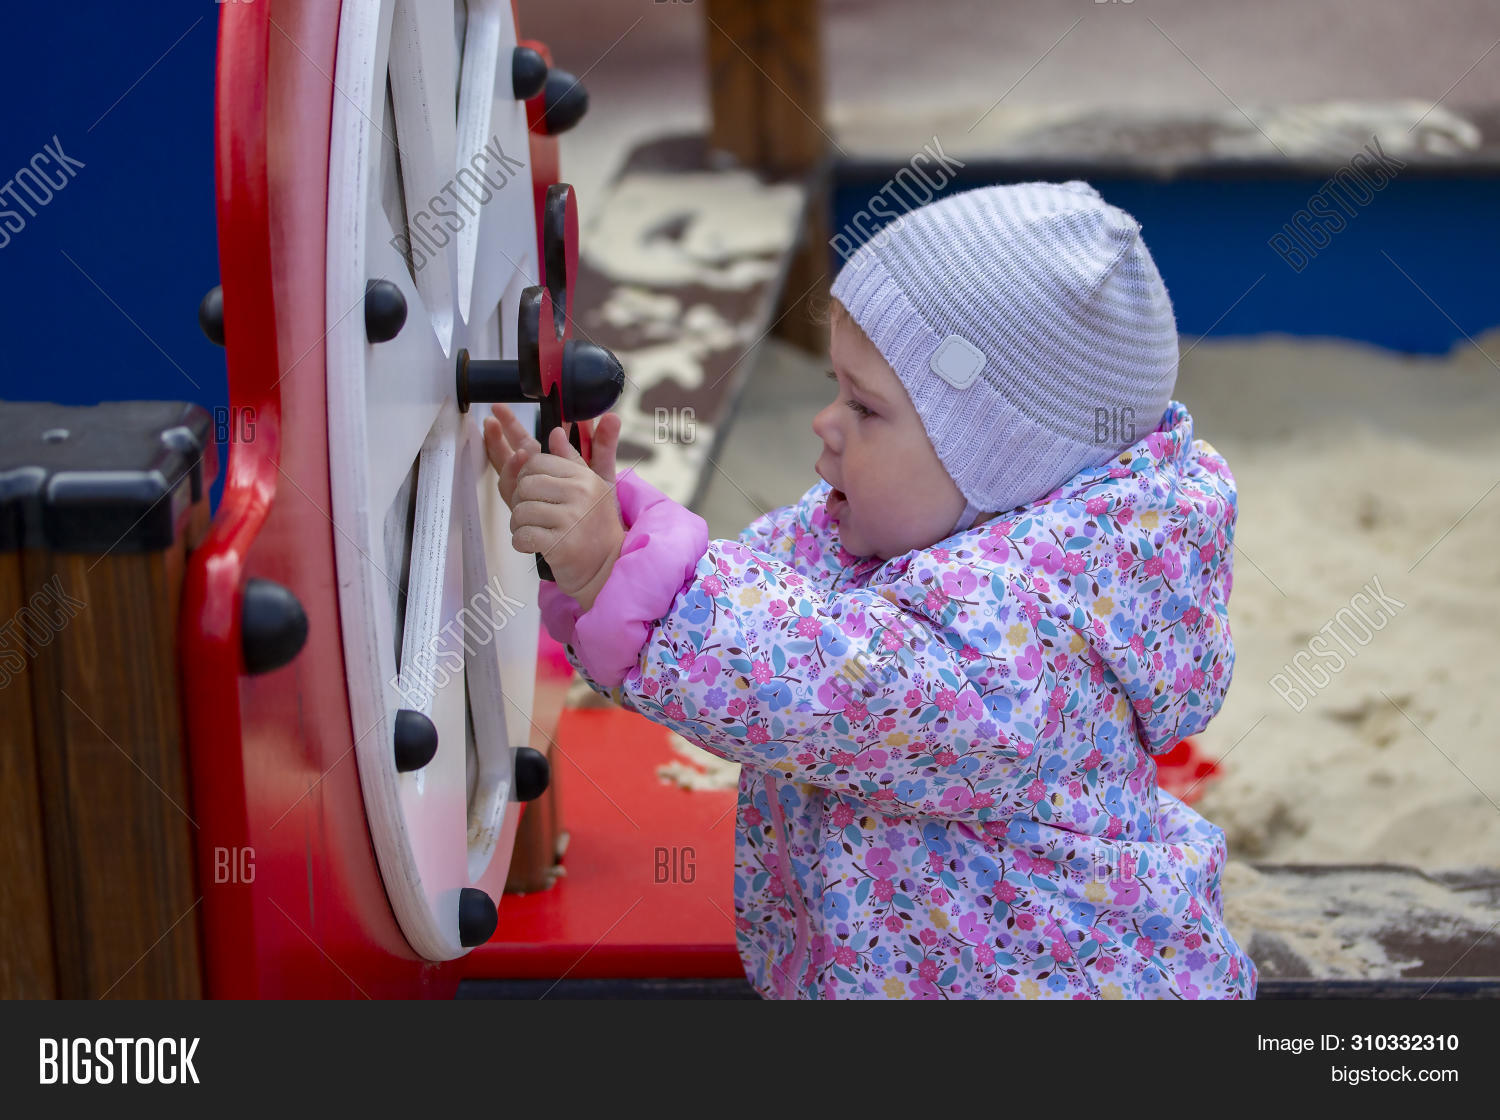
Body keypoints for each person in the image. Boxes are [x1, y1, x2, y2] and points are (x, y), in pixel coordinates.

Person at [482, 180, 1256, 999]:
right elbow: (757, 607)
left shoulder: (1013, 643)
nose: (825, 421)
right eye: (834, 384)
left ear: (997, 462)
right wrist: (616, 555)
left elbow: (821, 681)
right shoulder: (885, 531)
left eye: (866, 406)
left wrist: (616, 571)